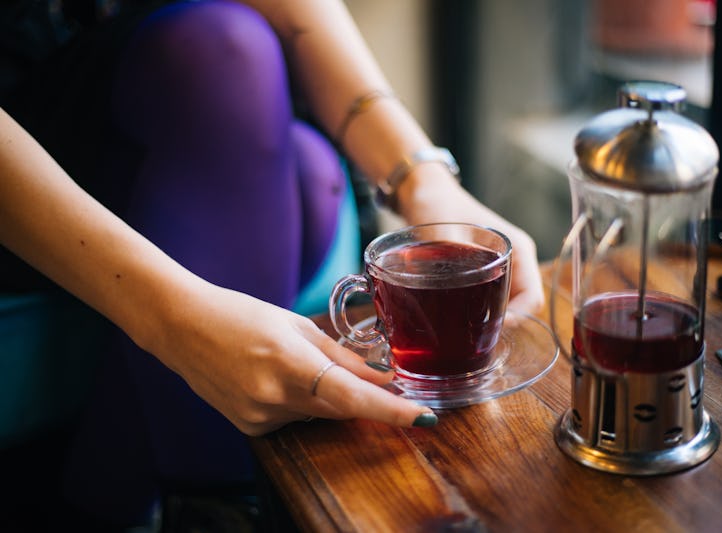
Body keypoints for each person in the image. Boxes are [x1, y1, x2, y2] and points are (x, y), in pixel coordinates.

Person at [0, 0, 545, 527]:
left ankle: (119, 500)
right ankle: (208, 499)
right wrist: (172, 318)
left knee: (306, 163)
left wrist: (423, 183)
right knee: (225, 47)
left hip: (115, 85)